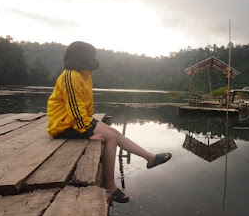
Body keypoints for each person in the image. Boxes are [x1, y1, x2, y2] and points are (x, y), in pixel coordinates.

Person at [47, 41, 171, 203]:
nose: (94, 60)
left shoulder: (85, 76)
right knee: (110, 138)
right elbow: (75, 109)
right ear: (81, 57)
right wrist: (86, 131)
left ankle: (150, 158)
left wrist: (92, 125)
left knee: (115, 133)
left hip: (75, 121)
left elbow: (84, 106)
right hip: (63, 125)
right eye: (91, 57)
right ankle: (110, 186)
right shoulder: (70, 76)